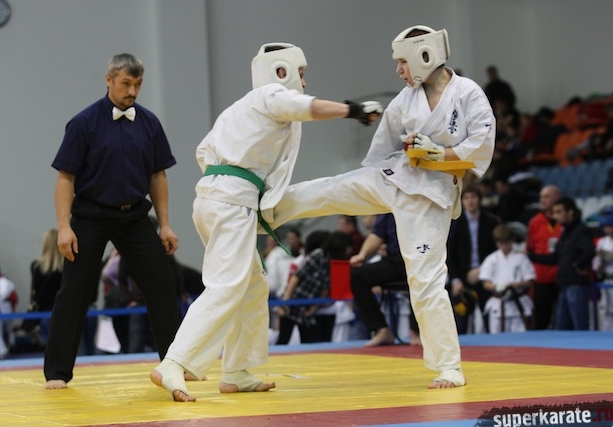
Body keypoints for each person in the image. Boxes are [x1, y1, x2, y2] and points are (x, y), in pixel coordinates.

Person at [150, 42, 382, 402]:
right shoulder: (270, 95)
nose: (303, 82)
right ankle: (174, 362)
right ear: (281, 71)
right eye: (300, 74)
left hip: (215, 197)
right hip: (231, 202)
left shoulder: (238, 108)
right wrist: (352, 110)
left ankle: (237, 371)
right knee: (226, 285)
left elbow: (203, 151)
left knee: (254, 284)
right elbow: (308, 107)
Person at [269, 25, 496, 388]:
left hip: (430, 197)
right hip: (394, 176)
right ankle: (267, 209)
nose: (399, 70)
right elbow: (382, 151)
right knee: (330, 189)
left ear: (424, 55)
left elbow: (479, 153)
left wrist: (439, 155)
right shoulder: (406, 99)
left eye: (403, 61)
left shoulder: (468, 94)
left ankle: (448, 367)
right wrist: (407, 155)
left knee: (425, 281)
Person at [44, 53, 181, 389]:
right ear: (109, 80)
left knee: (163, 283)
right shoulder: (83, 123)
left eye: (138, 84)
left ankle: (176, 364)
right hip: (90, 216)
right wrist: (64, 227)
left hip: (135, 217)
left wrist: (165, 224)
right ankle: (58, 372)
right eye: (126, 84)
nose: (132, 91)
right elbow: (65, 178)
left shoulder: (150, 123)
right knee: (75, 291)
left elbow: (158, 175)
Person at [528, 197, 595, 330]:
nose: (555, 216)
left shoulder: (580, 231)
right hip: (564, 285)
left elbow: (589, 251)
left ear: (570, 212)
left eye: (559, 212)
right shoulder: (565, 233)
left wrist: (577, 265)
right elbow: (554, 259)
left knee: (579, 327)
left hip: (576, 284)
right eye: (555, 212)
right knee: (562, 328)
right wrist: (530, 256)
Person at [349, 213, 415, 346]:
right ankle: (381, 329)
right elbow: (376, 235)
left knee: (422, 279)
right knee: (357, 275)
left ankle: (416, 331)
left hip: (420, 258)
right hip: (395, 260)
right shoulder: (389, 208)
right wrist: (362, 255)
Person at [275, 231, 352, 344]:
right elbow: (297, 277)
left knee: (309, 342)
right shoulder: (318, 255)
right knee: (283, 339)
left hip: (307, 307)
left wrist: (314, 307)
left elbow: (326, 287)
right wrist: (285, 302)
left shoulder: (334, 262)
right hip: (294, 301)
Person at [446, 185, 500, 334]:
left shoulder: (491, 221)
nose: (470, 201)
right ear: (462, 201)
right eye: (466, 198)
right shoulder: (454, 222)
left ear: (480, 199)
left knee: (489, 319)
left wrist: (482, 269)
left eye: (473, 197)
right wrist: (455, 279)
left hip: (486, 276)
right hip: (462, 278)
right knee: (460, 324)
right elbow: (449, 252)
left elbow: (495, 250)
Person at [479, 224, 536, 333]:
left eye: (507, 242)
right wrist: (497, 287)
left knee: (520, 339)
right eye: (501, 243)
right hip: (498, 305)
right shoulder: (491, 259)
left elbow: (530, 281)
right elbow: (485, 283)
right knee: (496, 339)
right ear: (496, 243)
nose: (504, 246)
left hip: (517, 303)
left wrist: (517, 285)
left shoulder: (521, 258)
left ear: (512, 240)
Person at [526, 185, 562, 329]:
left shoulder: (565, 220)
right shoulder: (535, 222)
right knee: (541, 320)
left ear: (557, 198)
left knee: (565, 320)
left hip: (561, 277)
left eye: (546, 196)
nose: (542, 200)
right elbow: (529, 250)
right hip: (541, 278)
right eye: (541, 197)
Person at [25, 228, 64, 344]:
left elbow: (35, 293)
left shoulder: (37, 267)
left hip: (44, 312)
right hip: (63, 312)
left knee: (48, 347)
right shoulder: (65, 269)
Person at [593, 207, 613, 330]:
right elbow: (596, 265)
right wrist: (600, 263)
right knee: (606, 311)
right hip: (606, 281)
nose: (607, 229)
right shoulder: (602, 242)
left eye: (609, 226)